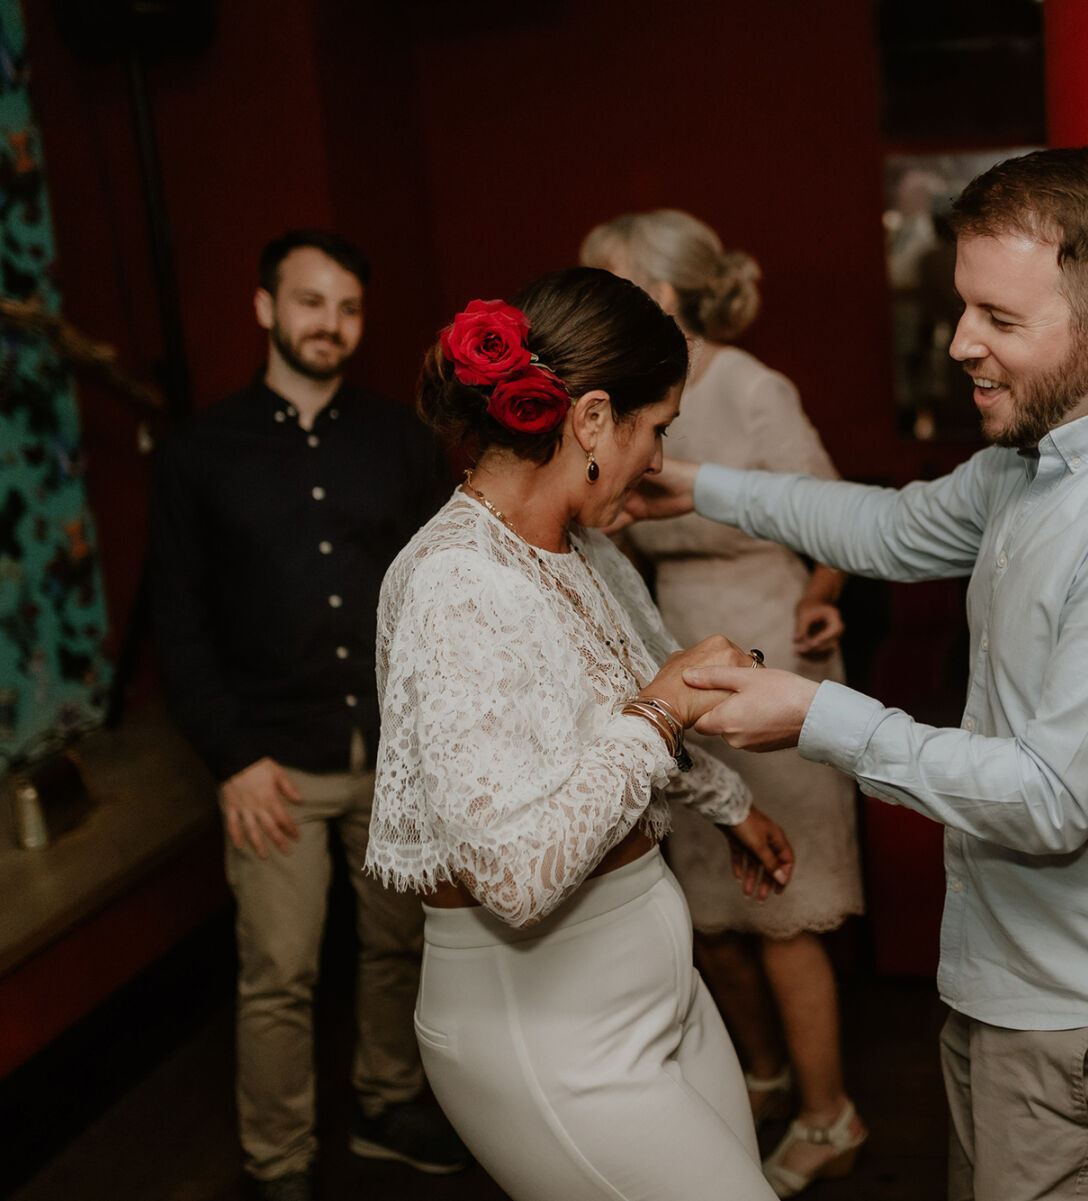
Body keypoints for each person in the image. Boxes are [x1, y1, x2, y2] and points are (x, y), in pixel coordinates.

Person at [622, 147, 1088, 1201]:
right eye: (965, 308)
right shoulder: (1033, 457)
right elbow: (892, 523)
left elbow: (1051, 800)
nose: (963, 343)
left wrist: (820, 714)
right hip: (1012, 977)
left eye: (1001, 321)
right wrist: (699, 485)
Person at [365, 268, 798, 1201]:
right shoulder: (458, 584)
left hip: (655, 990)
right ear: (595, 419)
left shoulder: (583, 548)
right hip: (548, 1029)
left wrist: (729, 806)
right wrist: (660, 711)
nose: (658, 458)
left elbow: (637, 693)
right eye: (660, 429)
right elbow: (516, 874)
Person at [149, 230, 464, 1201]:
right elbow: (177, 620)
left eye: (349, 307)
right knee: (280, 970)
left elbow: (444, 590)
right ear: (265, 308)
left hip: (394, 748)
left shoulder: (402, 440)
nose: (330, 323)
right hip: (273, 762)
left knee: (398, 942)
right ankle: (278, 1159)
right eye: (310, 301)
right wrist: (230, 755)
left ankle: (385, 1101)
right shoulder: (201, 451)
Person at [580, 210, 867, 1197]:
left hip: (768, 645)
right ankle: (763, 1073)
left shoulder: (749, 387)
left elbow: (836, 517)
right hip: (671, 664)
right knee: (708, 917)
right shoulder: (613, 401)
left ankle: (832, 1115)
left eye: (612, 283)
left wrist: (822, 601)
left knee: (782, 912)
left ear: (668, 291)